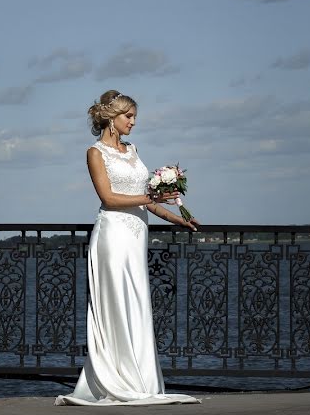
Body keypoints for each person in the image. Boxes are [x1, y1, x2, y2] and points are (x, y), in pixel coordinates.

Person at [55, 90, 201, 406]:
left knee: (136, 304)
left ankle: (140, 378)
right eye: (128, 117)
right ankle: (116, 379)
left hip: (136, 238)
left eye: (134, 117)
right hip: (113, 236)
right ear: (111, 118)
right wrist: (152, 198)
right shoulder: (95, 153)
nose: (133, 123)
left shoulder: (132, 149)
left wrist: (178, 218)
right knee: (116, 306)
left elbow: (145, 198)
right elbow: (109, 198)